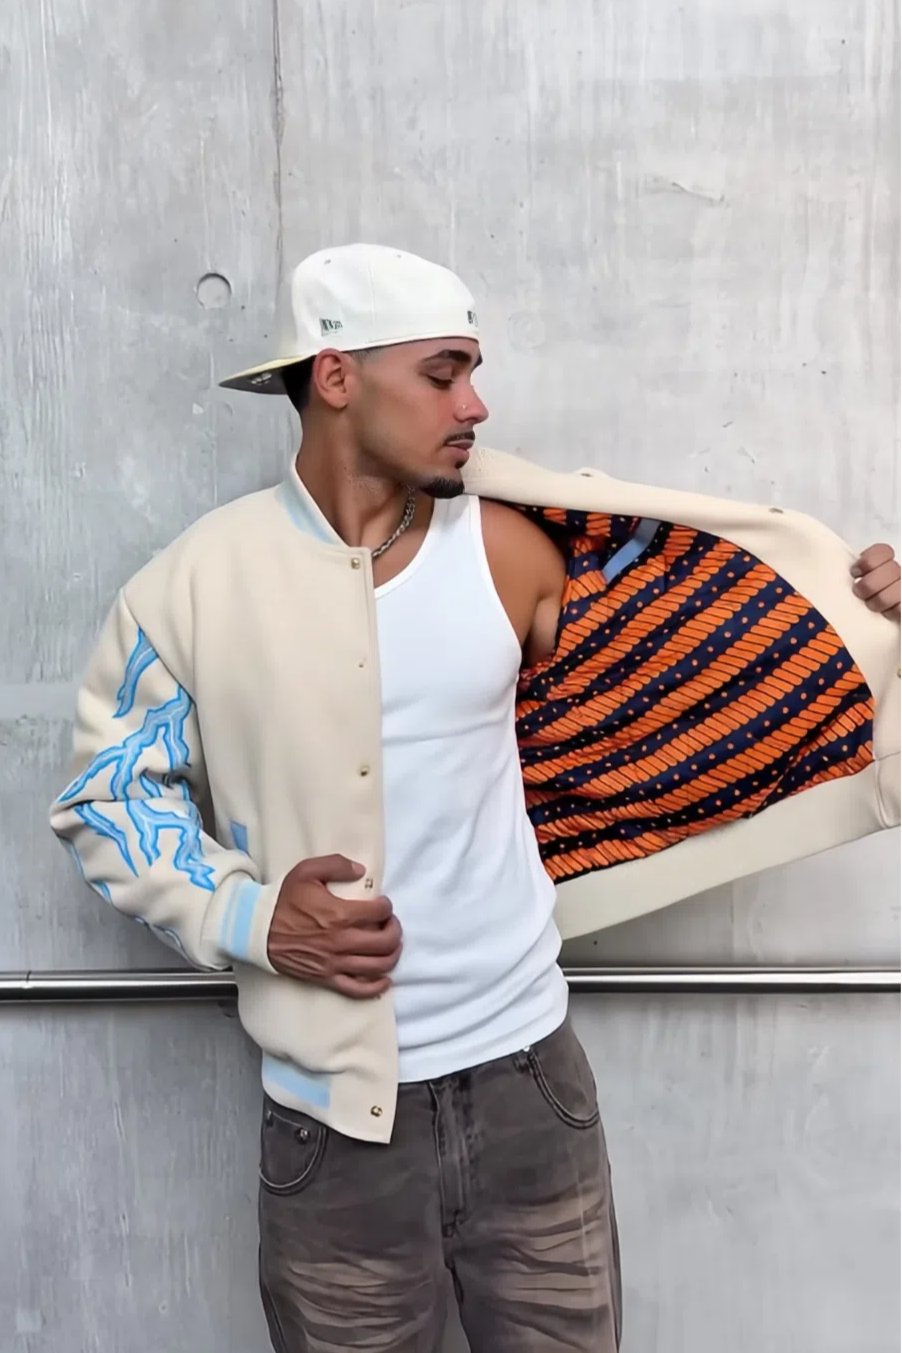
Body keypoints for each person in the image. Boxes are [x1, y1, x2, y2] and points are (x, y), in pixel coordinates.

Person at [50, 244, 901, 1353]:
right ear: (337, 376)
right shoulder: (193, 587)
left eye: (473, 372)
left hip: (532, 1088)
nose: (475, 404)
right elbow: (108, 799)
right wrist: (247, 916)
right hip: (332, 1128)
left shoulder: (509, 552)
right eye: (442, 372)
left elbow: (716, 679)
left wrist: (869, 619)